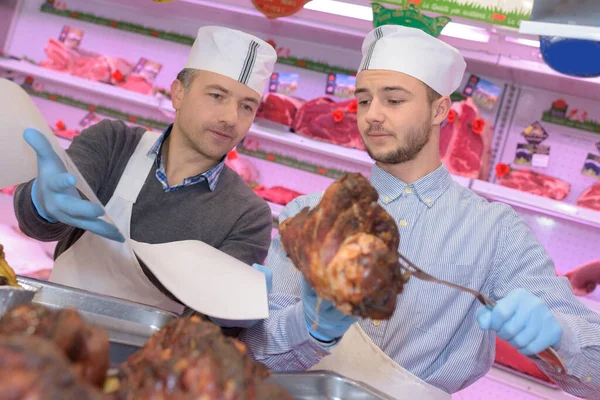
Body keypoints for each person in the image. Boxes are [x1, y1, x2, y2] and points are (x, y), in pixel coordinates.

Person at [239, 25, 600, 399]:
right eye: (364, 100)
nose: (372, 115)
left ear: (439, 109)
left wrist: (560, 337)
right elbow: (252, 353)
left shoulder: (495, 232)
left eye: (393, 100)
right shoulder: (309, 214)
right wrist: (309, 328)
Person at [13, 26, 277, 328]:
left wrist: (228, 317)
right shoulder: (113, 143)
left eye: (246, 106)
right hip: (48, 337)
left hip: (145, 367)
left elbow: (203, 336)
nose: (231, 118)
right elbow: (41, 223)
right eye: (216, 95)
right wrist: (41, 204)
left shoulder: (248, 215)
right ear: (179, 93)